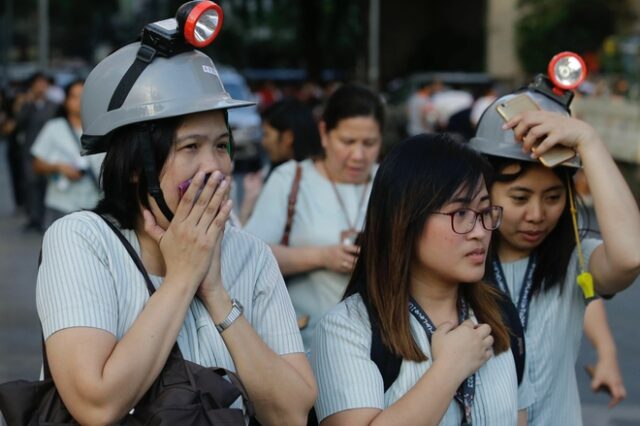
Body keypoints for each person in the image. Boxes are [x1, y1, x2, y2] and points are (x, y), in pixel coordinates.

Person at [35, 10, 316, 425]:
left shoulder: (251, 255)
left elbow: (292, 412)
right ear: (136, 166)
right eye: (190, 148)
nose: (214, 167)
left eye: (221, 145)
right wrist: (183, 277)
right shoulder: (81, 240)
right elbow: (95, 405)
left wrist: (217, 293)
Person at [312, 134, 533, 425]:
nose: (479, 230)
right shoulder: (348, 329)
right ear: (405, 220)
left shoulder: (500, 316)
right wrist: (450, 368)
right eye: (461, 213)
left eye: (484, 211)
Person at [469, 85, 640, 425]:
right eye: (519, 198)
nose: (536, 214)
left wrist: (588, 141)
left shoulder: (575, 260)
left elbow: (630, 256)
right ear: (484, 191)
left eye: (552, 197)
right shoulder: (456, 261)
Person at [245, 83, 384, 348]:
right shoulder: (291, 178)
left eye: (369, 143)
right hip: (303, 342)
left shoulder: (390, 181)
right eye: (347, 141)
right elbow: (249, 254)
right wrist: (321, 257)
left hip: (377, 345)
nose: (358, 155)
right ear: (324, 133)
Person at [30, 79, 105, 229]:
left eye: (84, 96)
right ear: (66, 101)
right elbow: (36, 165)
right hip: (61, 205)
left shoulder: (102, 129)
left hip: (97, 205)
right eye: (74, 97)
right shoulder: (54, 128)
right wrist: (59, 167)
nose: (79, 102)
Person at [238, 97, 322, 224]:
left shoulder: (283, 177)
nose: (263, 142)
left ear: (288, 137)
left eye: (267, 134)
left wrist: (249, 203)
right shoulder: (323, 173)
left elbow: (254, 234)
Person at [14, 71, 59, 231]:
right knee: (31, 184)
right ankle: (34, 217)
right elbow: (18, 122)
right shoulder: (27, 105)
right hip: (30, 150)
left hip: (50, 151)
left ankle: (46, 218)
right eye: (37, 84)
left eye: (43, 84)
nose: (40, 87)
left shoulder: (55, 105)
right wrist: (27, 103)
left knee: (47, 185)